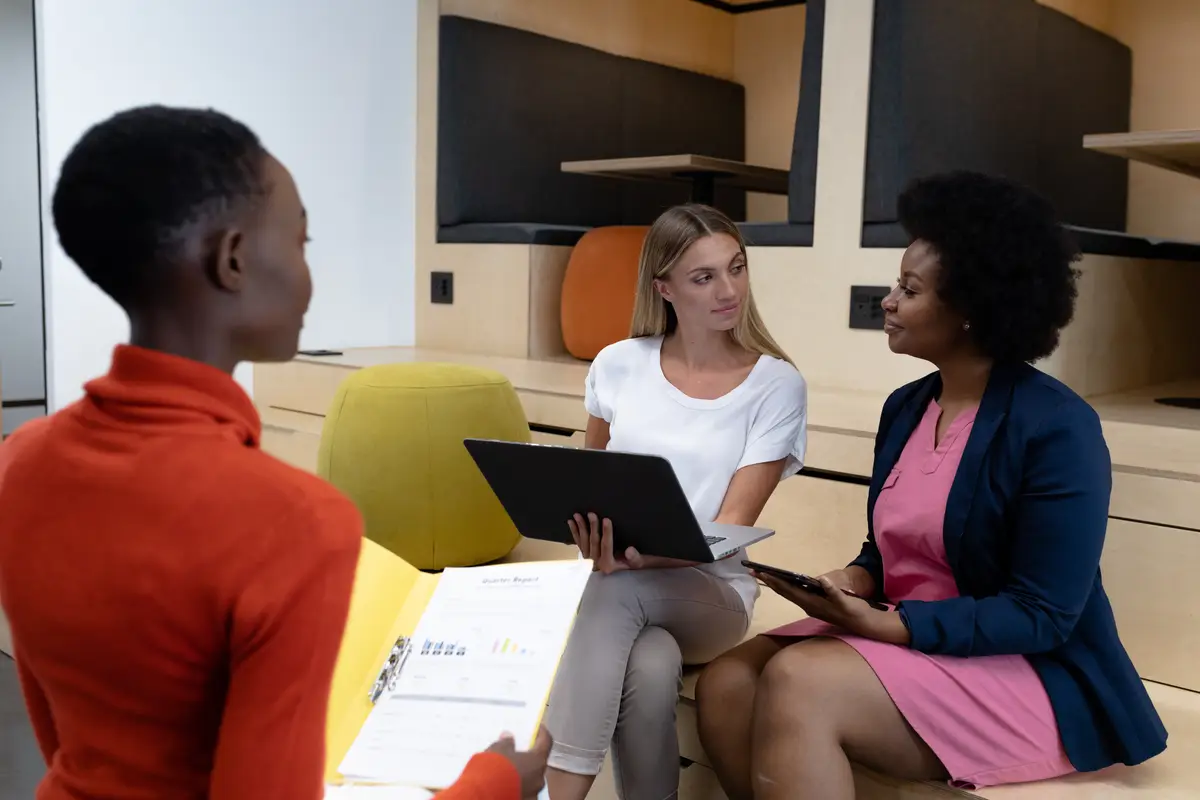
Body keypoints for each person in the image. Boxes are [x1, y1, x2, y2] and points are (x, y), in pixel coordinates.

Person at [0, 105, 550, 800]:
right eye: (300, 241)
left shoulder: (20, 462)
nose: (307, 275)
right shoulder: (292, 520)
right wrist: (492, 786)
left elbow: (67, 745)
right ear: (232, 259)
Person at [694, 171, 1168, 799]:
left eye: (908, 290)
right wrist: (849, 582)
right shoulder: (906, 407)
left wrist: (890, 627)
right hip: (907, 637)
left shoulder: (1058, 428)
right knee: (727, 681)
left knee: (802, 677)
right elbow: (887, 552)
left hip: (1025, 670)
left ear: (970, 311)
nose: (888, 301)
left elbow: (1044, 614)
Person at [543, 204, 808, 800]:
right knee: (652, 662)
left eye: (735, 268)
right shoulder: (617, 365)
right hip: (624, 585)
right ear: (663, 288)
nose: (728, 289)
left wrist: (637, 561)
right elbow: (593, 485)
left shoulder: (775, 385)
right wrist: (596, 538)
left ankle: (551, 793)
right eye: (704, 276)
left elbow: (731, 526)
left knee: (614, 589)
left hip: (711, 593)